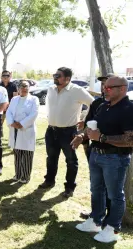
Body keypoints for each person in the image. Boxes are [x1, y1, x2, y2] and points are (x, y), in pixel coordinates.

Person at [75, 77, 133, 243]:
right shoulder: (103, 106)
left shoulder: (129, 108)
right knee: (96, 190)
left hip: (115, 158)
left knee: (115, 195)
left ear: (122, 89)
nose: (104, 89)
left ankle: (112, 229)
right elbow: (91, 127)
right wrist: (82, 136)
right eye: (104, 87)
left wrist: (102, 137)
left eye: (108, 87)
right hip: (96, 154)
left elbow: (130, 139)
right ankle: (95, 220)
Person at [38, 67, 94, 198]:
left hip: (68, 132)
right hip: (51, 130)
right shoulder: (51, 89)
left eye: (58, 75)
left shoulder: (77, 90)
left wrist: (85, 120)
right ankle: (49, 180)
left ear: (67, 78)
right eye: (54, 74)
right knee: (51, 158)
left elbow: (94, 104)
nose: (55, 77)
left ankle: (69, 187)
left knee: (71, 160)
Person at [77, 73, 114, 220]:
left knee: (111, 186)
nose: (104, 87)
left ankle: (111, 217)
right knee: (96, 184)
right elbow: (87, 124)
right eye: (103, 84)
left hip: (114, 152)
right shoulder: (96, 103)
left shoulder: (123, 105)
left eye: (108, 84)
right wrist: (83, 139)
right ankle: (96, 213)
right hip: (95, 149)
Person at [6, 81, 39, 183]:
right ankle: (18, 174)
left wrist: (22, 124)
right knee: (17, 153)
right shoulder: (14, 99)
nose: (24, 88)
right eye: (22, 86)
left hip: (26, 129)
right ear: (18, 88)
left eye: (26, 86)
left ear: (29, 88)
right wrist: (12, 122)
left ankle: (25, 176)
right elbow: (9, 112)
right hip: (15, 129)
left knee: (27, 154)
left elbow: (34, 113)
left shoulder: (34, 99)